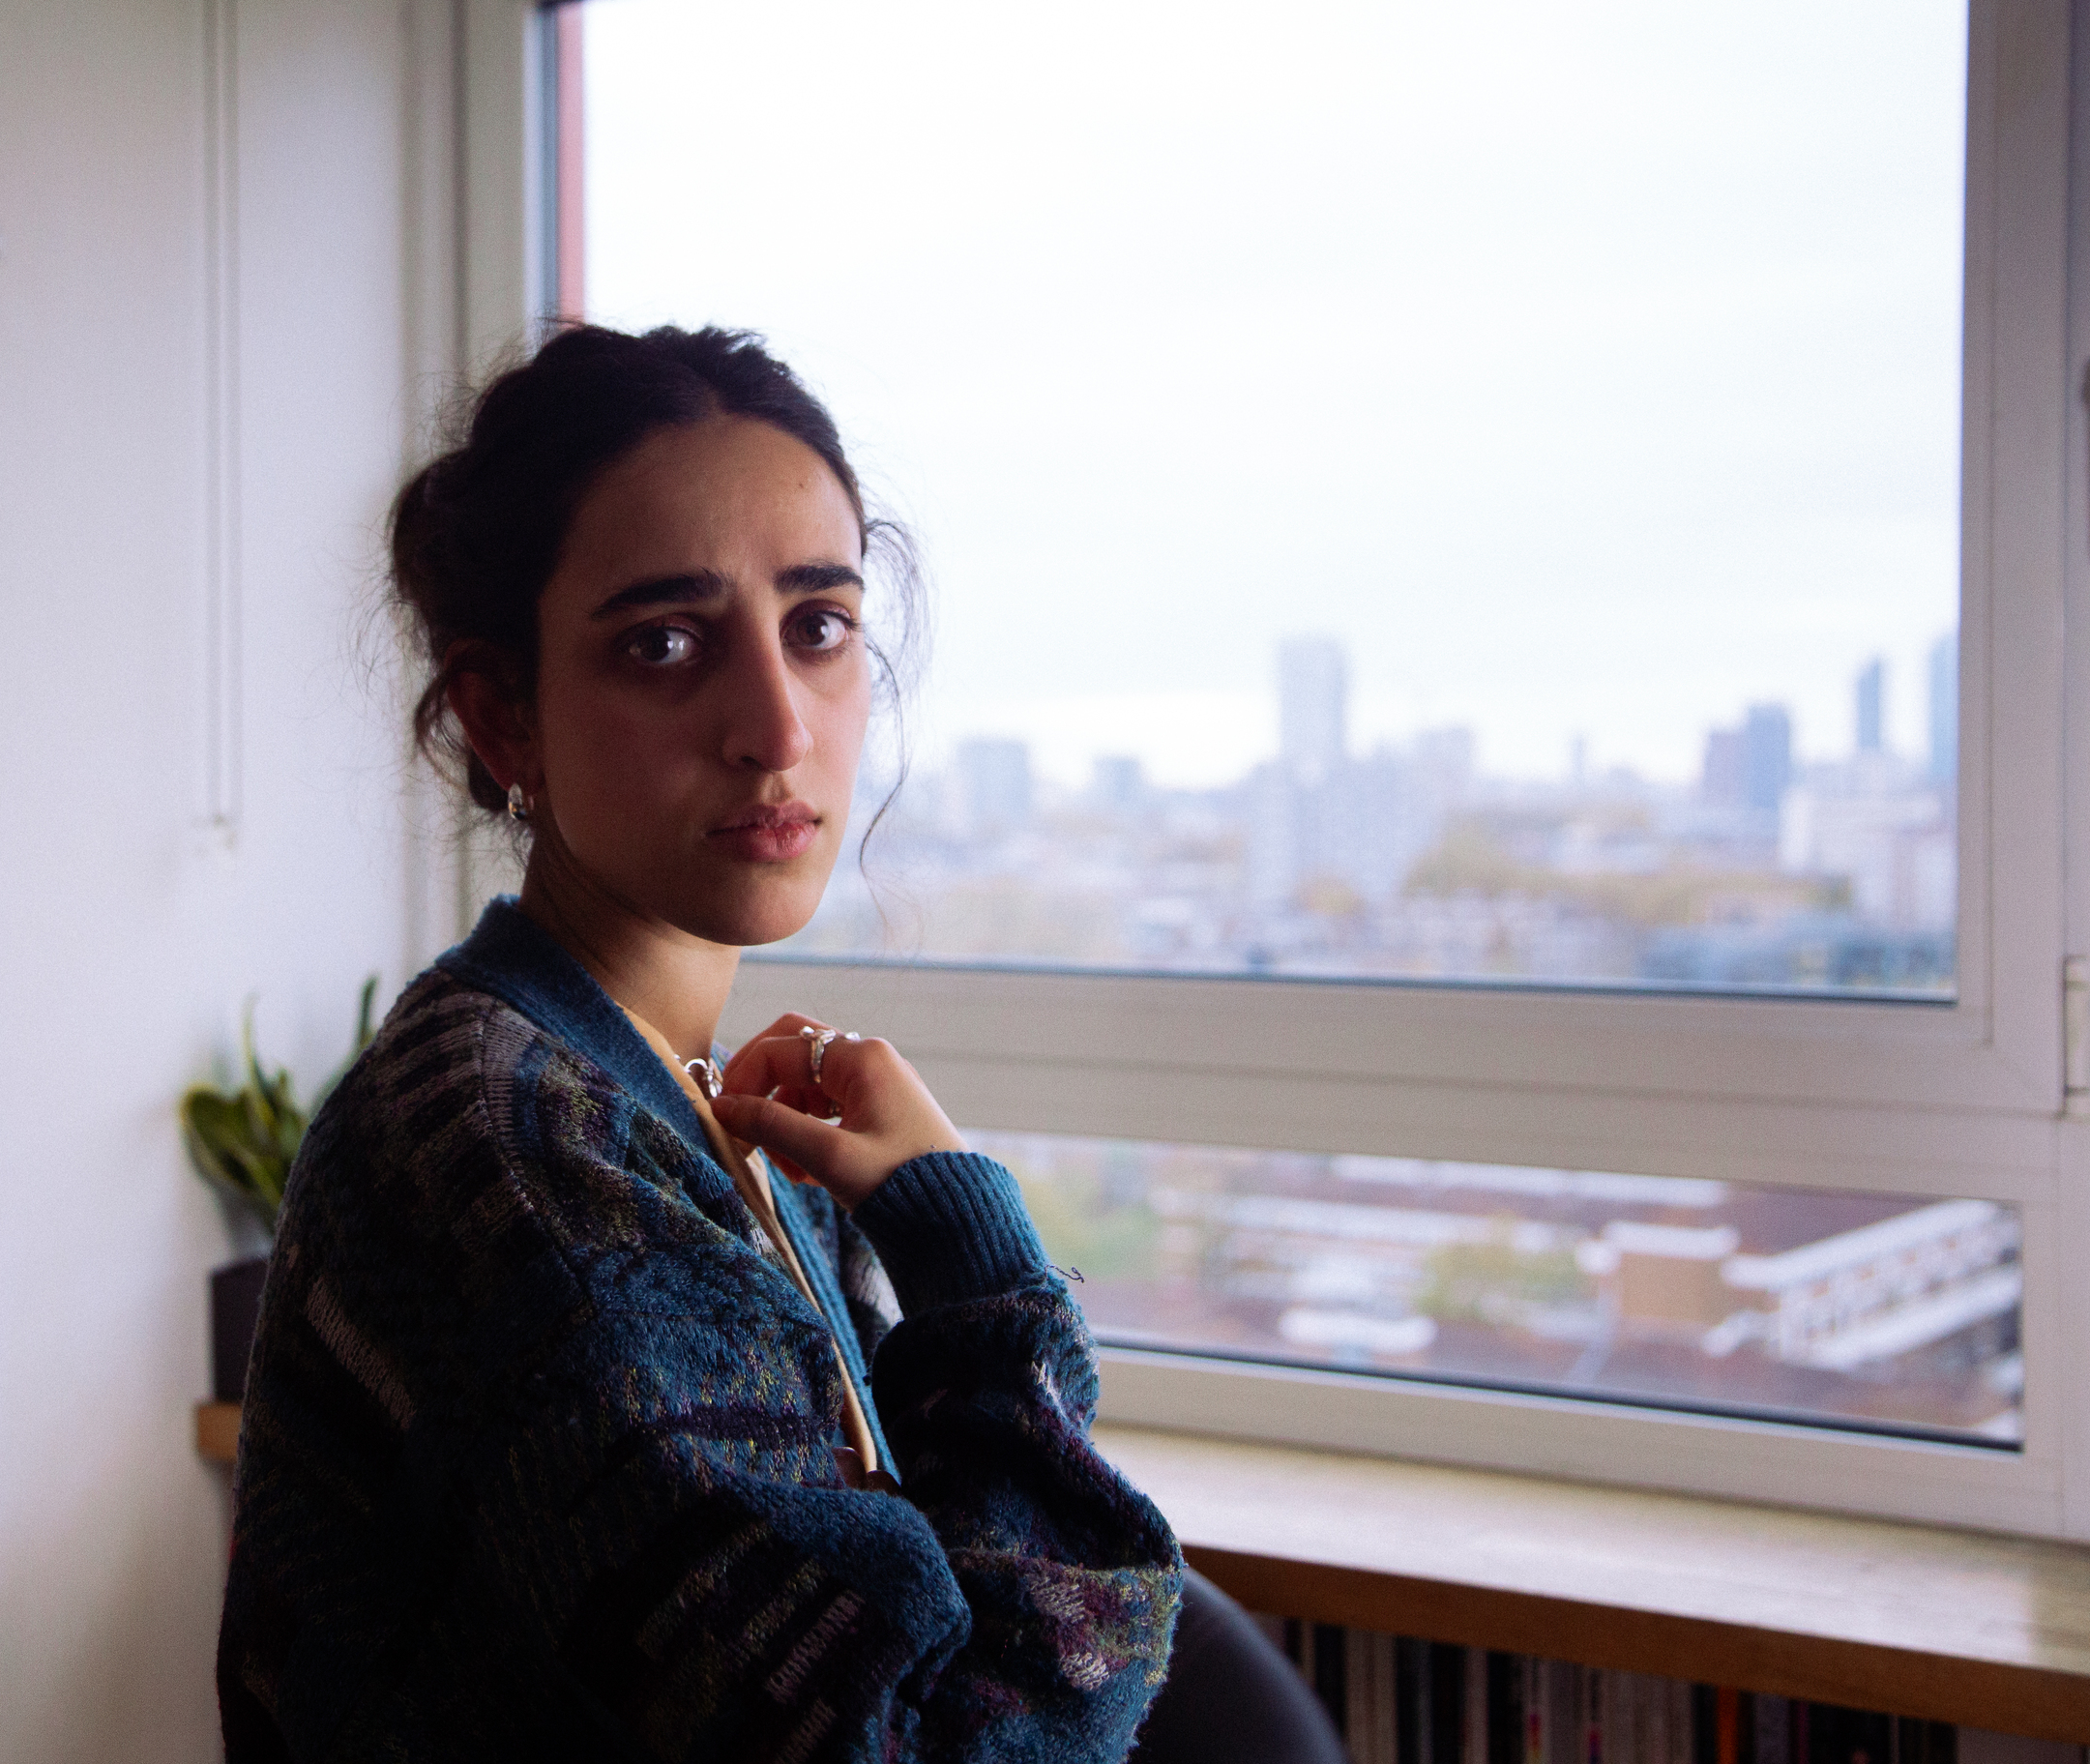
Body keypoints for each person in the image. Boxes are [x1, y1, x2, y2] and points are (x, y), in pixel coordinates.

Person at [216, 324, 1340, 1763]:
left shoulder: (700, 1104)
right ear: (505, 717)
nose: (776, 726)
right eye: (666, 644)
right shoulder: (516, 1154)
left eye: (818, 625)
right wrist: (973, 1260)